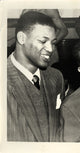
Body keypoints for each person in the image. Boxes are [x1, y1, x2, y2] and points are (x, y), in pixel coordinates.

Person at [7, 11, 65, 141]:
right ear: (22, 38)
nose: (50, 49)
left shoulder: (56, 77)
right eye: (43, 41)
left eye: (53, 42)